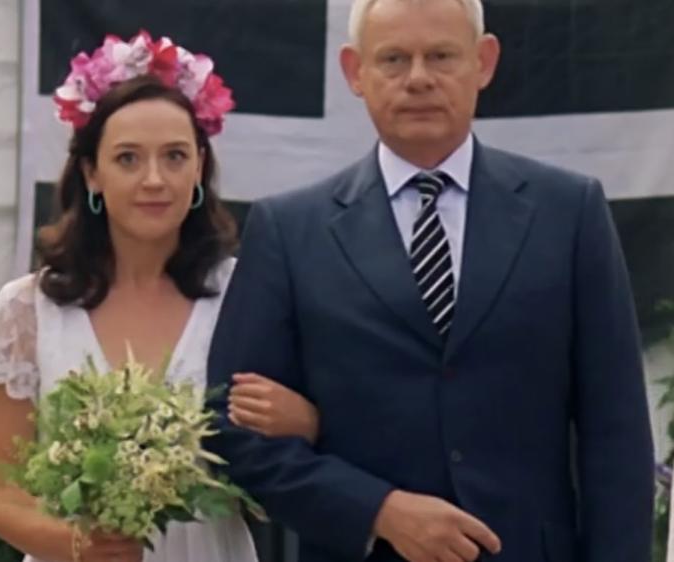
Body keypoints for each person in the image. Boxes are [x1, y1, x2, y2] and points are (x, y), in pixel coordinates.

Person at [206, 1, 655, 561]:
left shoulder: (568, 212)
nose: (418, 78)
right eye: (394, 59)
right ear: (355, 71)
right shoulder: (290, 230)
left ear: (484, 61)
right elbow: (233, 429)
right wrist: (377, 510)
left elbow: (615, 432)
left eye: (441, 56)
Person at [0, 32, 318, 562]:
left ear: (199, 168)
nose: (154, 180)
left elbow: (314, 441)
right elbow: (1, 492)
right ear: (92, 173)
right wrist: (78, 545)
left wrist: (307, 422)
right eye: (128, 158)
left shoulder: (247, 294)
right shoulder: (27, 311)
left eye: (174, 156)